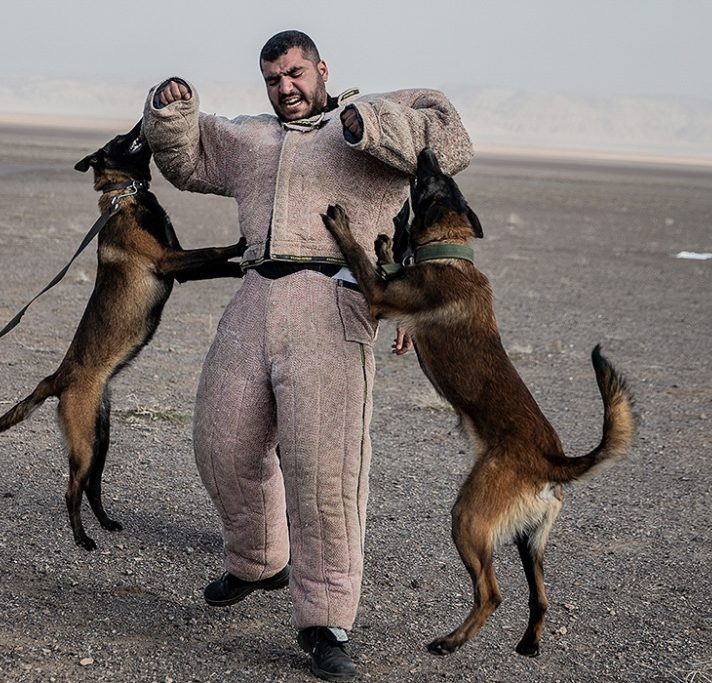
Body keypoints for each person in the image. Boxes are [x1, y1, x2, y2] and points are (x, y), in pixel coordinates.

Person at [143, 30, 473, 681]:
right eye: (273, 79)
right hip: (253, 298)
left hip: (336, 301)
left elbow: (450, 138)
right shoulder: (252, 139)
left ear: (321, 68)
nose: (285, 88)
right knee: (221, 440)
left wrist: (368, 123)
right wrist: (170, 110)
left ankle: (326, 622)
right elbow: (188, 158)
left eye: (295, 74)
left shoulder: (361, 126)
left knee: (325, 472)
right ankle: (261, 558)